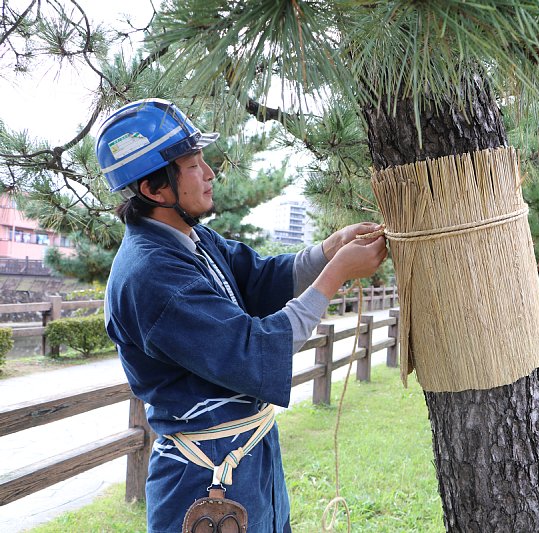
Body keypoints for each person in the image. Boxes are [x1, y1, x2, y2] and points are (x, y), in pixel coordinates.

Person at [96, 99, 387, 533]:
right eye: (194, 165)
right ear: (155, 190)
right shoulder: (152, 275)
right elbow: (252, 347)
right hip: (205, 477)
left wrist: (328, 249)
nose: (210, 173)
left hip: (245, 458)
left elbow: (259, 278)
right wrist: (336, 274)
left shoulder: (190, 239)